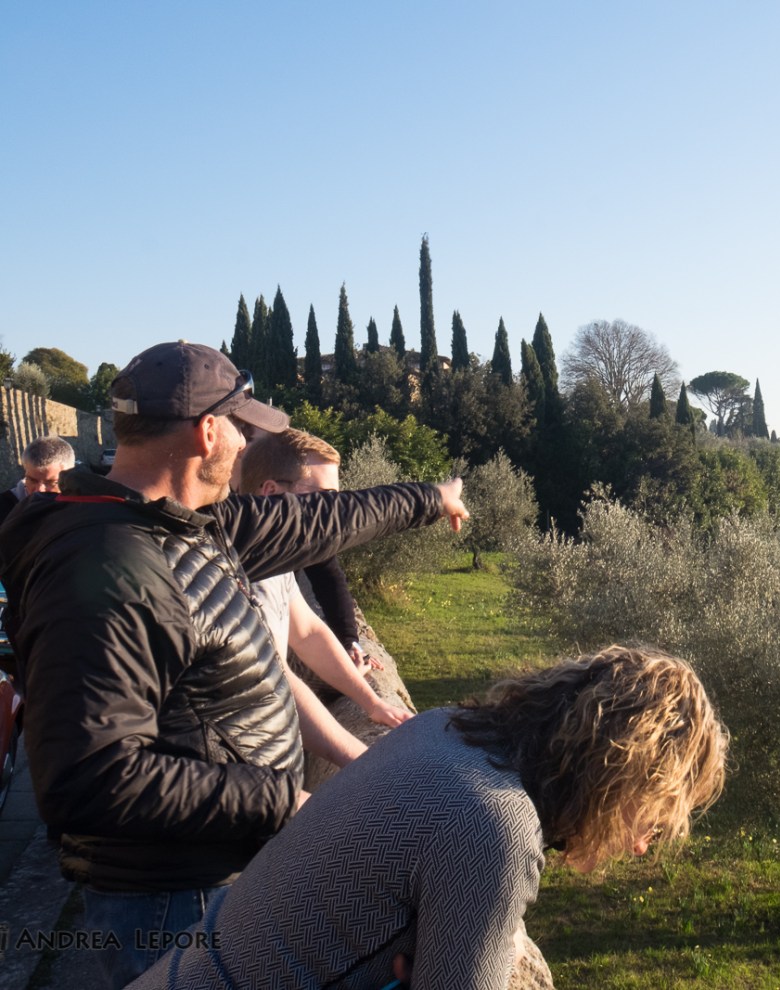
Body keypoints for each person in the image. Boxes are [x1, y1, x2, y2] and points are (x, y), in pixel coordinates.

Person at [0, 341, 468, 989]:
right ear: (207, 431)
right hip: (175, 903)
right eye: (241, 428)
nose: (247, 446)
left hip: (211, 878)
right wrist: (284, 800)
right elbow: (91, 778)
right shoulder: (111, 565)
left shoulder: (185, 525)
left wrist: (432, 498)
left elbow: (320, 519)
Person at [129, 645, 729, 990]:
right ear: (615, 777)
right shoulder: (494, 825)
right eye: (652, 817)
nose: (643, 845)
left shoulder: (442, 728)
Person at [237, 427, 411, 727]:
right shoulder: (247, 575)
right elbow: (281, 683)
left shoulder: (278, 559)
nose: (333, 510)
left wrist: (351, 647)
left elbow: (312, 621)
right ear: (270, 492)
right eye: (322, 497)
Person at [0, 434, 75, 524]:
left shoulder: (84, 506)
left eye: (51, 482)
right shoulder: (4, 509)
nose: (39, 490)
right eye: (32, 480)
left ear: (70, 476)